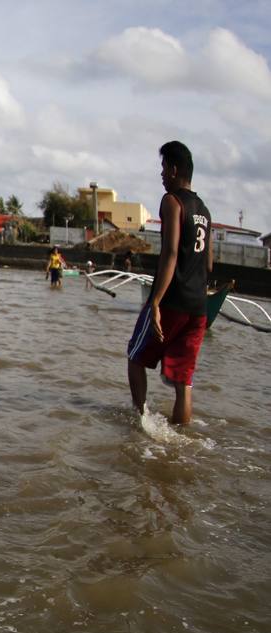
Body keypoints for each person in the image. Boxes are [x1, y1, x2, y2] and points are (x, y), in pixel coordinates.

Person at [127, 141, 212, 425]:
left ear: (174, 170)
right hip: (198, 308)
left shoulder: (172, 202)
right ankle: (180, 443)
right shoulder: (205, 211)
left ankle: (142, 421)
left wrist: (154, 302)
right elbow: (208, 263)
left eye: (163, 168)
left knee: (135, 358)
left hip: (172, 301)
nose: (161, 175)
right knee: (183, 382)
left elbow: (171, 253)